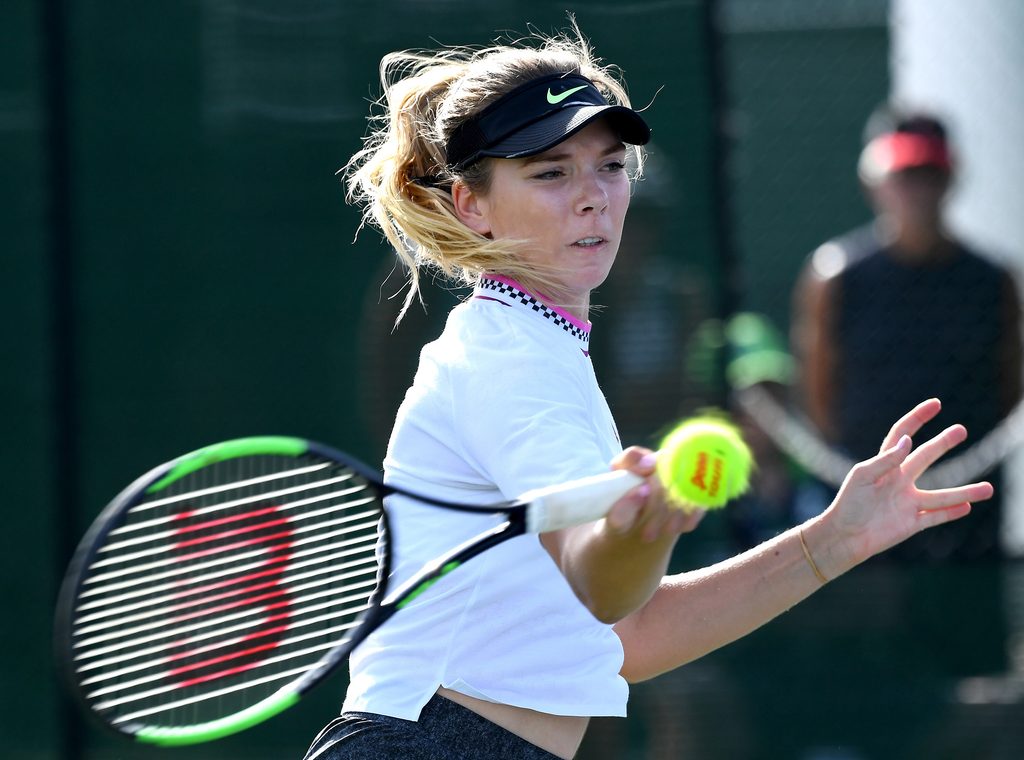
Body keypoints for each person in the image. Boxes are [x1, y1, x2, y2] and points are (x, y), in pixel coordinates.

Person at [303, 30, 993, 760]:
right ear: (473, 205)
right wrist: (637, 533)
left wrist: (833, 539)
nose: (594, 199)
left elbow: (625, 638)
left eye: (609, 167)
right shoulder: (507, 364)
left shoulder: (538, 347)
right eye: (550, 174)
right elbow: (600, 582)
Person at [791, 106, 1022, 562]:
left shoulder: (995, 281)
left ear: (950, 180)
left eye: (929, 174)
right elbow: (818, 394)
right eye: (904, 174)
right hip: (862, 508)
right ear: (874, 182)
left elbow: (1011, 382)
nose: (917, 189)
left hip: (968, 513)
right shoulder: (834, 277)